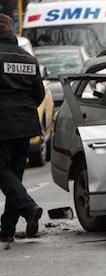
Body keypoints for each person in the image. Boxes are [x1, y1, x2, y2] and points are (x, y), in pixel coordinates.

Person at [0, 14, 45, 243]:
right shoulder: (28, 58)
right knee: (14, 176)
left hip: (3, 123)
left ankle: (28, 208)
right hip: (26, 124)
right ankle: (7, 228)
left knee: (3, 172)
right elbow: (39, 94)